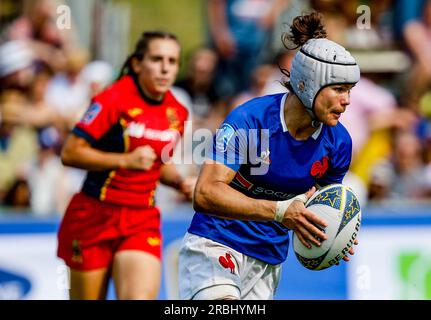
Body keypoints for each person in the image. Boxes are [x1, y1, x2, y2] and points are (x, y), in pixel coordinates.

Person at [178, 12, 359, 300]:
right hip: (216, 244)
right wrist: (279, 211)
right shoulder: (252, 121)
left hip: (268, 261)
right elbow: (205, 193)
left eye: (349, 91)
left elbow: (318, 205)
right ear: (307, 85)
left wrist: (334, 231)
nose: (347, 100)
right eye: (338, 89)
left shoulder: (338, 144)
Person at [57, 31, 195, 300]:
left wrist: (179, 182)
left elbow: (159, 164)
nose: (165, 68)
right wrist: (124, 160)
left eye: (172, 61)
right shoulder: (112, 99)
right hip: (94, 217)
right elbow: (70, 153)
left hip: (141, 219)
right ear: (137, 64)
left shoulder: (178, 112)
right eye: (157, 59)